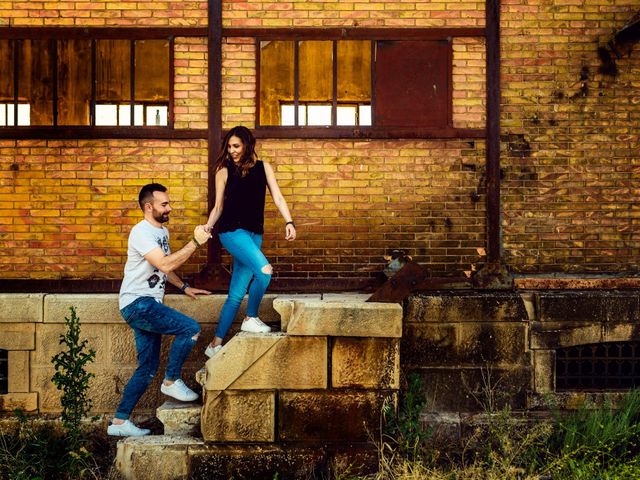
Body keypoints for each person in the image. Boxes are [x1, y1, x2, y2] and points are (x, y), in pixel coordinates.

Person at [108, 183, 212, 437]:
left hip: (147, 304)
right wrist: (195, 243)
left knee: (146, 369)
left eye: (168, 203)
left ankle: (119, 423)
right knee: (190, 329)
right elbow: (164, 263)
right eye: (164, 204)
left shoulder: (161, 231)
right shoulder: (141, 232)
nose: (170, 208)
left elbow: (163, 268)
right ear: (148, 206)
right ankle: (171, 380)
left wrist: (183, 286)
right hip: (138, 303)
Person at [203, 126, 296, 358]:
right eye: (229, 147)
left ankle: (214, 344)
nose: (232, 151)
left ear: (247, 145)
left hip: (255, 233)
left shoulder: (264, 168)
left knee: (235, 295)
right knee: (264, 271)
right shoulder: (223, 170)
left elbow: (278, 196)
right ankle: (251, 317)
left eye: (237, 146)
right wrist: (208, 226)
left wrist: (289, 221)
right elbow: (218, 207)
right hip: (232, 231)